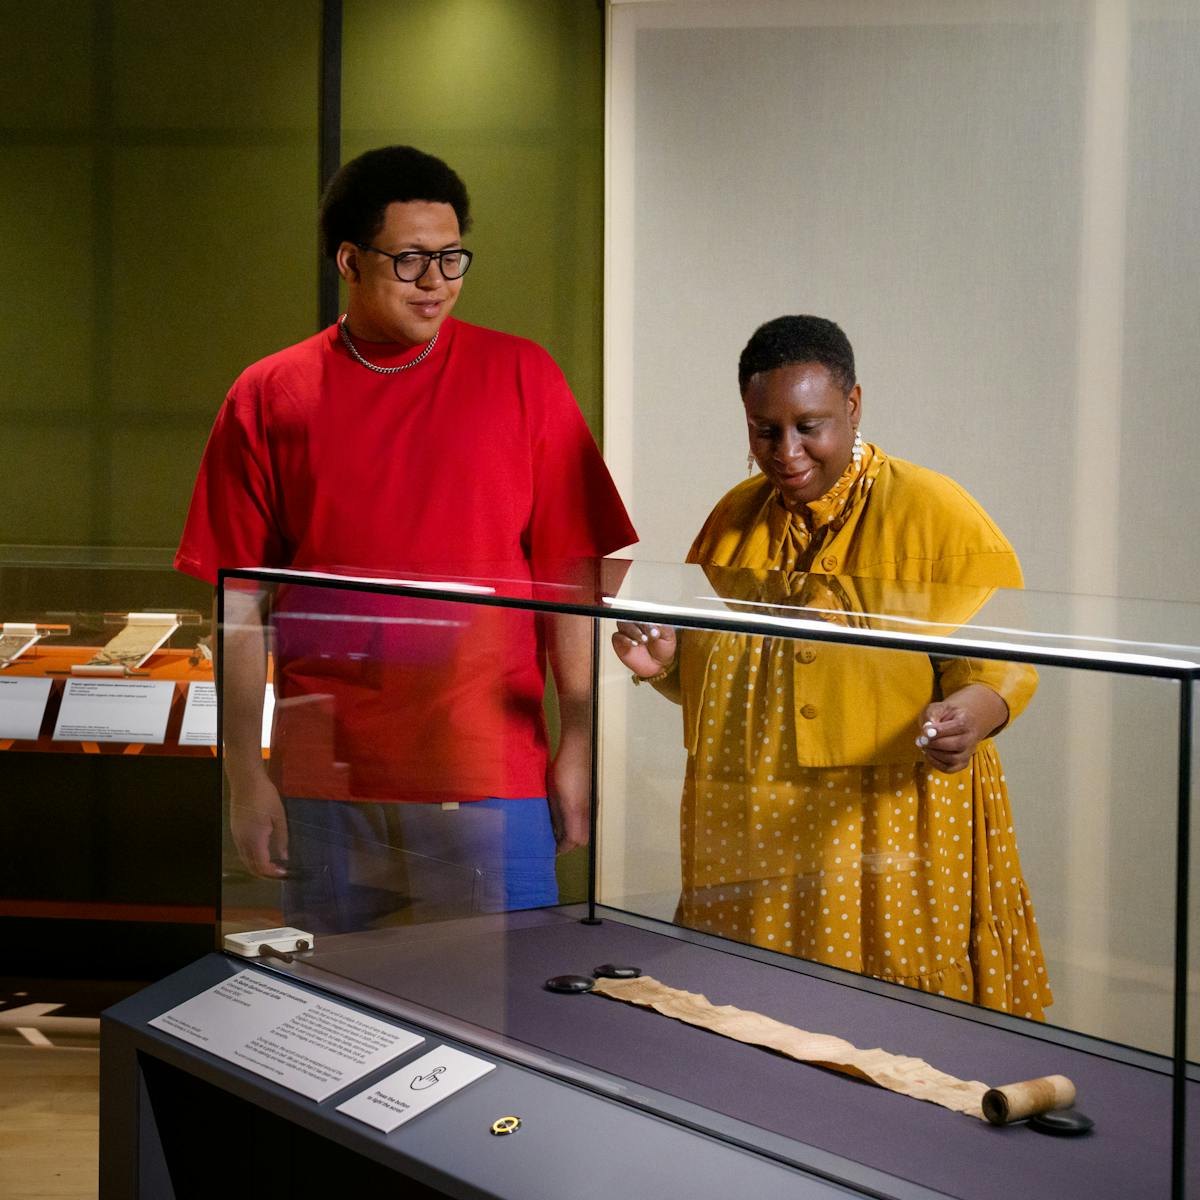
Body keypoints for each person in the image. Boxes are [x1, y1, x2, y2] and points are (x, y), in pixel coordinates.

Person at [177, 145, 636, 931]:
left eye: (452, 257)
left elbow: (570, 579)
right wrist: (244, 778)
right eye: (411, 260)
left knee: (501, 996)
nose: (437, 281)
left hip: (488, 763)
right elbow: (240, 603)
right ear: (349, 261)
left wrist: (579, 744)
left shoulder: (522, 374)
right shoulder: (269, 394)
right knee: (335, 998)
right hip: (327, 773)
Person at [614, 315, 1050, 1020]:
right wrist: (665, 666)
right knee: (748, 1015)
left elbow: (1000, 664)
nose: (786, 452)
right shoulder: (732, 519)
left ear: (853, 405)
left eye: (808, 426)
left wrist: (967, 718)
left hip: (880, 820)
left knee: (888, 1021)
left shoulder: (936, 513)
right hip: (750, 817)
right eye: (765, 430)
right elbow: (736, 683)